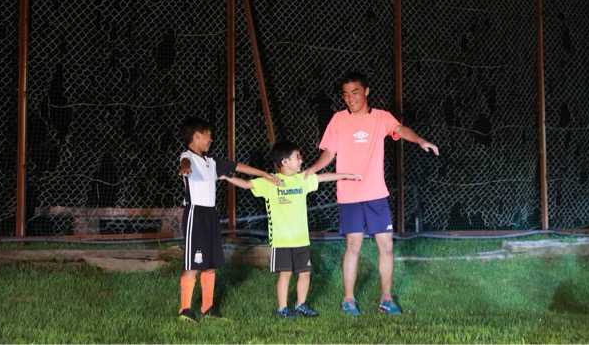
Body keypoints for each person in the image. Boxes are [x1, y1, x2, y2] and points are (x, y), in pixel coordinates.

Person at [303, 71, 439, 316]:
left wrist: (420, 141)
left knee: (386, 247)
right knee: (353, 246)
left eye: (355, 92)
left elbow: (400, 129)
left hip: (376, 194)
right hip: (349, 195)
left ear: (366, 91)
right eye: (346, 95)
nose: (350, 98)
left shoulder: (381, 117)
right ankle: (348, 299)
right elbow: (329, 152)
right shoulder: (338, 119)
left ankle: (386, 298)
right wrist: (312, 169)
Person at [222, 140, 362, 319]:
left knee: (305, 273)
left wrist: (347, 175)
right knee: (285, 274)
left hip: (301, 239)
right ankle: (282, 308)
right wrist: (227, 177)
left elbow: (322, 177)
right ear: (285, 162)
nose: (301, 160)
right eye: (297, 157)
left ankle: (301, 305)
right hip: (281, 240)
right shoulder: (271, 181)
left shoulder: (301, 179)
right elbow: (247, 184)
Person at [177, 116, 282, 323]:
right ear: (197, 135)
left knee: (210, 264)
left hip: (211, 214)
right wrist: (185, 168)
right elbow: (184, 161)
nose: (211, 139)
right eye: (208, 135)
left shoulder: (211, 162)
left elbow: (237, 166)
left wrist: (264, 174)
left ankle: (208, 308)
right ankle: (185, 310)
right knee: (193, 264)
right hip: (195, 214)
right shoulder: (188, 157)